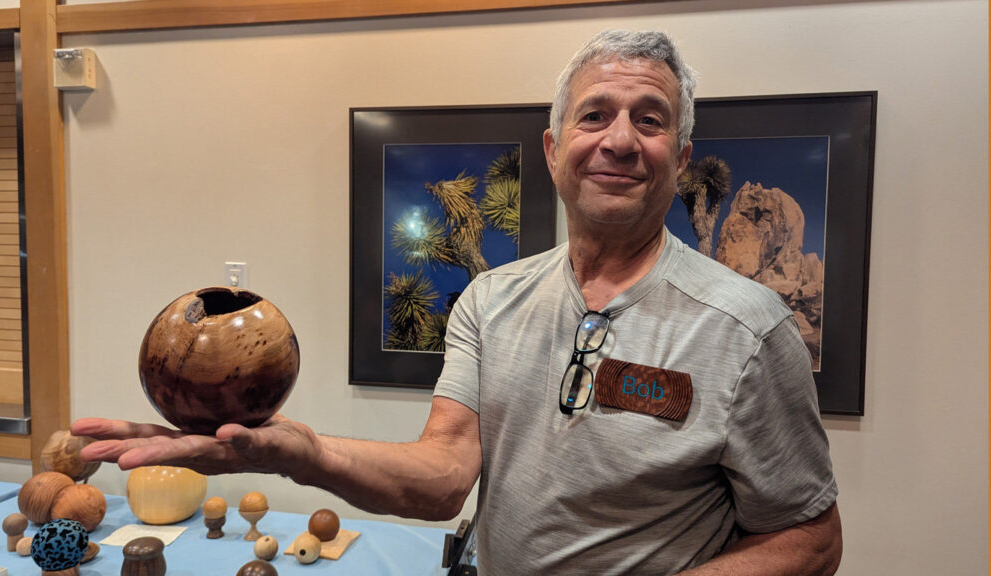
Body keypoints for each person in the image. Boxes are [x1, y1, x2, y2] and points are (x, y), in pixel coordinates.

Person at [73, 29, 842, 575]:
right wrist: (297, 455)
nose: (619, 139)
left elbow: (810, 537)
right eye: (595, 114)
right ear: (552, 149)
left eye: (651, 120)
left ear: (679, 160)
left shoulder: (747, 327)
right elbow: (443, 477)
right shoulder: (491, 298)